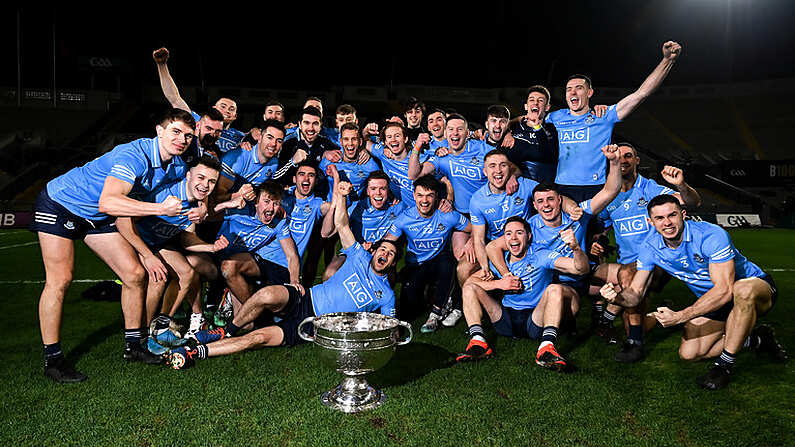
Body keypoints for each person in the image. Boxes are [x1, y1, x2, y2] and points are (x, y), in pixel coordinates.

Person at [30, 108, 200, 383]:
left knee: (135, 274)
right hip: (62, 204)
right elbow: (108, 202)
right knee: (60, 279)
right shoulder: (133, 156)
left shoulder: (176, 163)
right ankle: (53, 360)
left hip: (97, 217)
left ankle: (134, 347)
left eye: (188, 136)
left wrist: (200, 208)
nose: (182, 139)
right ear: (159, 131)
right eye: (176, 132)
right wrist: (159, 209)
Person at [168, 181, 400, 369]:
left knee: (257, 339)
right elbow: (341, 224)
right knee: (268, 294)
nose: (385, 254)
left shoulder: (387, 295)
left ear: (392, 263)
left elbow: (391, 329)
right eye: (383, 249)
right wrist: (340, 194)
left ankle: (195, 351)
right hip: (305, 298)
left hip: (315, 326)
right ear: (374, 251)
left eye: (390, 254)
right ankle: (225, 331)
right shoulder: (359, 256)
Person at [600, 195, 786, 389]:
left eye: (672, 215)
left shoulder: (710, 235)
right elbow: (635, 293)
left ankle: (723, 366)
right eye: (660, 218)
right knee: (690, 353)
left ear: (683, 214)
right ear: (650, 222)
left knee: (742, 290)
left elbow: (724, 290)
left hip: (753, 289)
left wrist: (681, 316)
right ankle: (756, 339)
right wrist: (618, 297)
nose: (667, 223)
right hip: (715, 301)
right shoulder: (650, 246)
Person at [590, 143, 701, 361]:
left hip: (657, 261)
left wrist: (682, 185)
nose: (623, 160)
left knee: (628, 277)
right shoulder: (608, 196)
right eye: (619, 157)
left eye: (629, 156)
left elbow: (692, 202)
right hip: (626, 264)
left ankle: (633, 342)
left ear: (637, 161)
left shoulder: (650, 189)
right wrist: (599, 242)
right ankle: (650, 316)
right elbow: (602, 227)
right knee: (584, 274)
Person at [114, 155, 232, 353]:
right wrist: (147, 256)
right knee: (158, 276)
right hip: (134, 239)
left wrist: (211, 247)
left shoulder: (195, 205)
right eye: (200, 178)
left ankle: (159, 326)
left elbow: (186, 239)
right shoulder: (166, 196)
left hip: (158, 242)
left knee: (187, 273)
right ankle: (143, 335)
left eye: (211, 181)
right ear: (188, 176)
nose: (205, 185)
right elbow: (122, 221)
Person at [546, 41, 682, 202]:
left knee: (600, 228)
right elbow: (529, 120)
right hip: (563, 187)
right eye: (569, 89)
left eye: (579, 88)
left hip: (597, 188)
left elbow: (641, 94)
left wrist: (668, 60)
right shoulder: (555, 117)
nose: (573, 92)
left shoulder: (603, 115)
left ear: (589, 92)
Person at [457, 217, 588, 370]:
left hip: (535, 320)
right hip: (505, 320)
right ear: (504, 239)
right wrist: (498, 283)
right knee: (469, 288)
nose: (513, 238)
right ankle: (478, 342)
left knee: (555, 289)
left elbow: (581, 269)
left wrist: (576, 248)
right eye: (508, 234)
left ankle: (546, 348)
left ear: (529, 236)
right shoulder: (501, 261)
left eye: (519, 233)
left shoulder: (541, 255)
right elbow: (469, 283)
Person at [385, 175, 472, 332]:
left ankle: (436, 313)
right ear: (414, 196)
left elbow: (474, 228)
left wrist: (472, 242)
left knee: (448, 262)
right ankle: (434, 294)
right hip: (416, 265)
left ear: (436, 197)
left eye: (429, 195)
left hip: (439, 261)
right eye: (420, 195)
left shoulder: (448, 215)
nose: (424, 201)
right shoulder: (405, 218)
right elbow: (388, 242)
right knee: (409, 311)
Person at [216, 182, 302, 308]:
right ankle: (254, 311)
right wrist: (226, 204)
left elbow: (292, 255)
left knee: (228, 267)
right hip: (213, 254)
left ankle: (252, 311)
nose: (271, 208)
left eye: (276, 203)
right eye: (266, 201)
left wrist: (294, 281)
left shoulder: (278, 222)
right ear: (256, 202)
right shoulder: (239, 210)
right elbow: (206, 215)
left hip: (237, 261)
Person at [152, 47, 245, 153]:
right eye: (223, 106)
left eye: (231, 109)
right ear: (214, 108)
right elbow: (174, 98)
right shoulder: (196, 120)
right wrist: (162, 65)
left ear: (235, 116)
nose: (227, 110)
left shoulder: (240, 136)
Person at [321, 170, 405, 281]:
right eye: (373, 189)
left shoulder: (397, 208)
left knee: (389, 278)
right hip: (353, 252)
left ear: (388, 190)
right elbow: (326, 233)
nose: (378, 193)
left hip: (379, 255)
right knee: (330, 273)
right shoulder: (357, 208)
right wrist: (334, 206)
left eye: (383, 189)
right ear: (367, 191)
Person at [318, 123, 380, 202]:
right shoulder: (329, 160)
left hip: (355, 210)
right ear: (341, 142)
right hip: (331, 208)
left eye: (354, 139)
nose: (350, 143)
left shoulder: (369, 165)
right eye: (346, 139)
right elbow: (316, 185)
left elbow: (382, 185)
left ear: (360, 142)